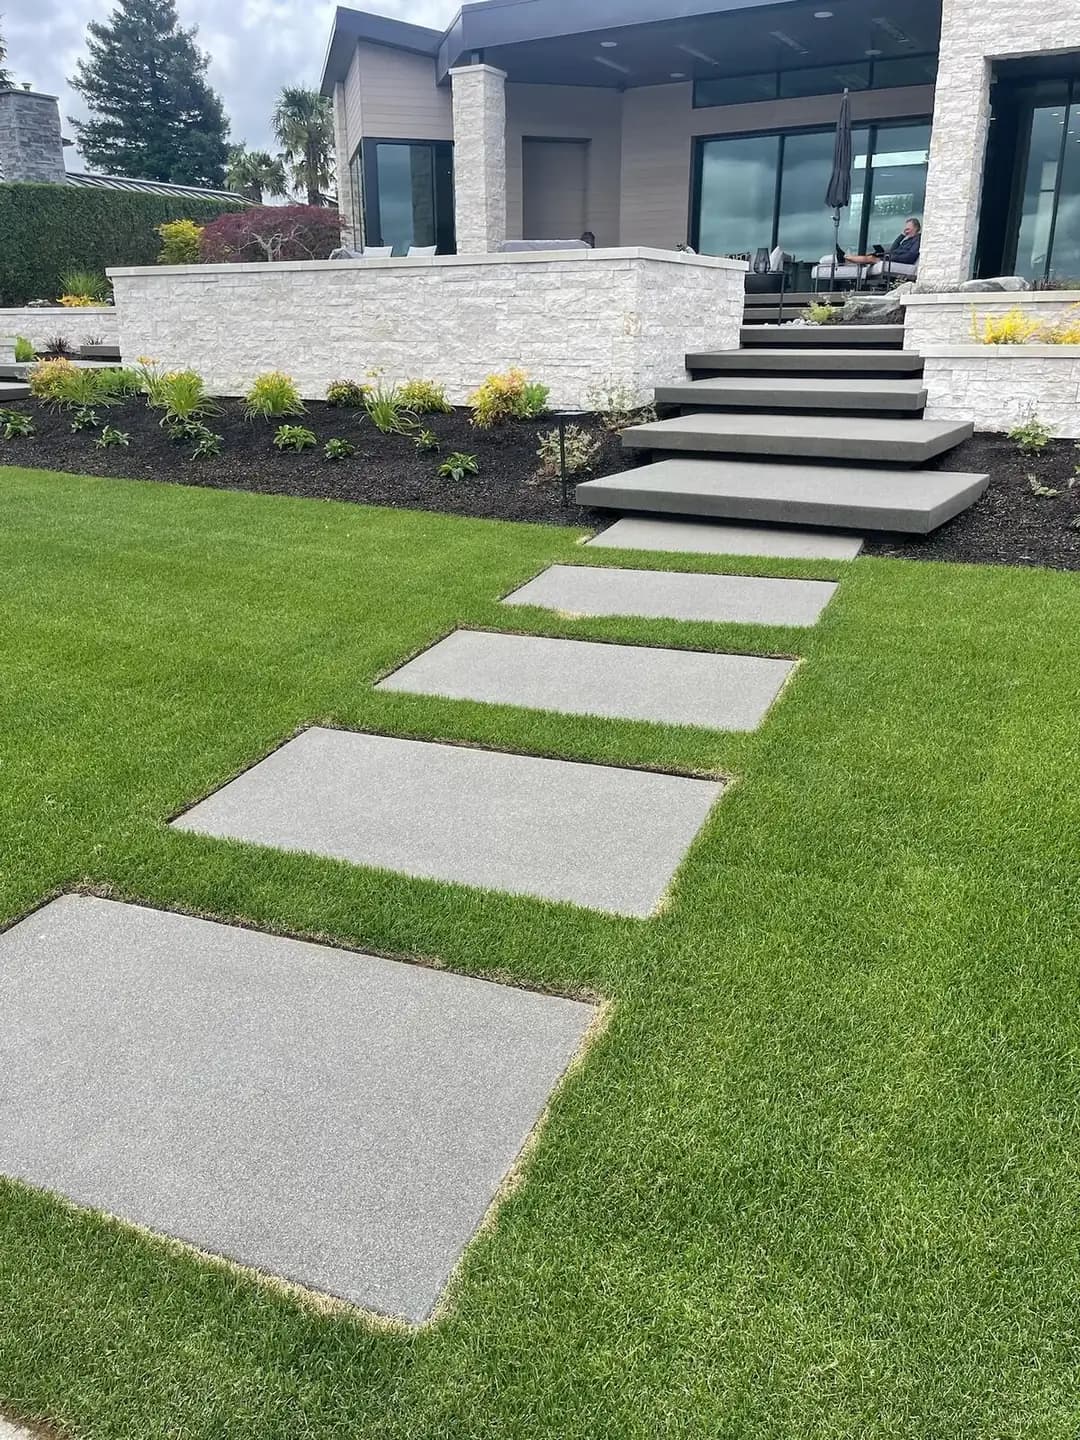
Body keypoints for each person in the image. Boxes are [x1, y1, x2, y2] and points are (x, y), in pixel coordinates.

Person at [845, 216, 921, 268]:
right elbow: (893, 249)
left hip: (898, 261)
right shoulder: (907, 240)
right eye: (905, 229)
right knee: (872, 255)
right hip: (893, 258)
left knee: (871, 258)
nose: (906, 231)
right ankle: (846, 259)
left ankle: (846, 258)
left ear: (916, 228)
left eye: (908, 229)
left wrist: (892, 257)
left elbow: (910, 256)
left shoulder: (918, 240)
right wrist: (902, 235)